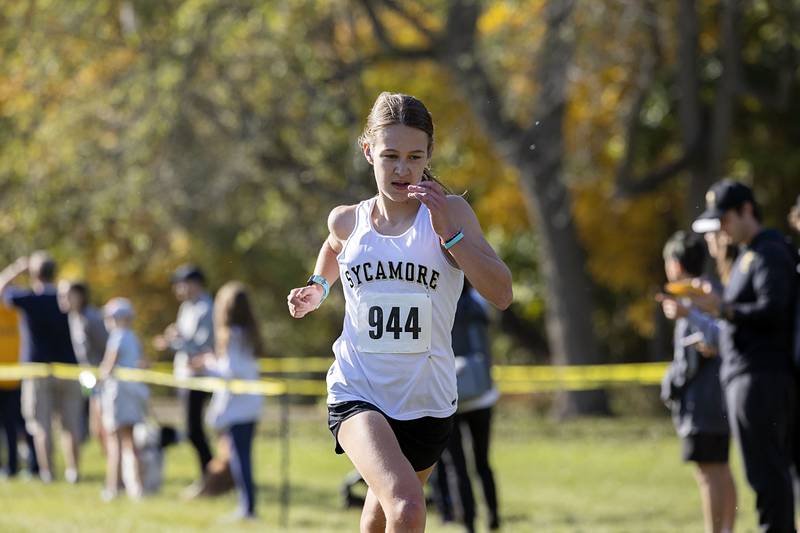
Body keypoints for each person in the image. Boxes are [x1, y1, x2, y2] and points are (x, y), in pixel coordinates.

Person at [287, 92, 513, 533]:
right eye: (390, 155)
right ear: (368, 151)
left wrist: (451, 237)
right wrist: (317, 287)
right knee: (408, 508)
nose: (402, 169)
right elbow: (334, 247)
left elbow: (502, 293)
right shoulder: (347, 220)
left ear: (429, 154)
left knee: (378, 518)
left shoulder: (451, 214)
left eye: (414, 156)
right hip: (359, 391)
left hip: (427, 401)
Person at [691, 179, 797, 532]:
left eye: (725, 219)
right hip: (747, 377)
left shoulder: (768, 252)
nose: (721, 229)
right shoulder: (747, 256)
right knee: (762, 474)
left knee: (769, 475)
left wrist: (724, 309)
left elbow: (773, 310)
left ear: (746, 210)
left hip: (763, 377)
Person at [657, 231, 736, 533]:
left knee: (708, 473)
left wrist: (670, 385)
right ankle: (728, 528)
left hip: (702, 405)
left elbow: (689, 359)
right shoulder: (713, 291)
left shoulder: (692, 299)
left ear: (675, 265)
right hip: (722, 400)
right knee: (722, 470)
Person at [0, 252, 82, 483]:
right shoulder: (64, 298)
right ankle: (72, 471)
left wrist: (17, 267)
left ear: (34, 274)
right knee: (70, 424)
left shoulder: (30, 299)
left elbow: (1, 289)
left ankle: (47, 472)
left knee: (41, 424)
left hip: (38, 369)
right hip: (69, 367)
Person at [196, 281, 264, 520]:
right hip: (250, 404)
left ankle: (248, 508)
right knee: (240, 457)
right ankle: (246, 506)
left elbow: (231, 371)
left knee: (240, 459)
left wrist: (207, 365)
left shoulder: (233, 336)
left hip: (239, 407)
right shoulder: (248, 334)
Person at [438, 282, 501, 533]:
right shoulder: (478, 303)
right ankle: (494, 515)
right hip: (482, 395)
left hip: (448, 397)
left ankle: (469, 523)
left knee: (456, 466)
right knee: (483, 462)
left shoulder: (436, 300)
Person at [153, 265, 216, 488]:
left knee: (194, 430)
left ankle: (211, 476)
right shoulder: (186, 308)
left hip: (199, 376)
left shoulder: (206, 308)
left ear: (195, 283)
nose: (178, 288)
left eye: (182, 283)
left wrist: (174, 340)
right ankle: (210, 476)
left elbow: (202, 346)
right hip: (186, 376)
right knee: (193, 430)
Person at [99, 297, 149, 501]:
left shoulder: (117, 337)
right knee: (130, 443)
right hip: (134, 393)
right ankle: (137, 488)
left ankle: (113, 487)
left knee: (115, 443)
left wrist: (97, 379)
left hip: (118, 394)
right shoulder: (133, 337)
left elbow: (108, 366)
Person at [58, 280, 109, 447]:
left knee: (105, 429)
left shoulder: (91, 318)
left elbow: (107, 348)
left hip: (104, 382)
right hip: (90, 381)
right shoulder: (73, 318)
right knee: (97, 430)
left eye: (66, 295)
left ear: (79, 296)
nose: (62, 299)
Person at [0, 305, 38, 478]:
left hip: (16, 379)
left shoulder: (17, 312)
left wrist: (22, 371)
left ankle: (24, 465)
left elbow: (26, 343)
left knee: (18, 424)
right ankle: (8, 466)